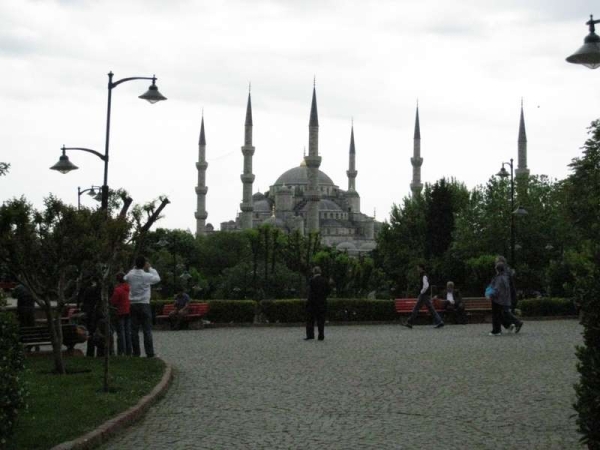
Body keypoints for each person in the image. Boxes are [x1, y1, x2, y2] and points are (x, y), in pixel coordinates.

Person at [125, 256, 160, 358]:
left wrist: (134, 268)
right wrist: (150, 268)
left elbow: (125, 278)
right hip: (144, 303)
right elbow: (157, 278)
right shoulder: (147, 276)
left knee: (134, 330)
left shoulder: (130, 275)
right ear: (144, 264)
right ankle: (149, 353)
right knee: (147, 330)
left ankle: (136, 353)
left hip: (133, 304)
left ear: (135, 264)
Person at [488, 262, 523, 336]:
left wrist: (490, 295)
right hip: (504, 299)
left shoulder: (499, 278)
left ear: (497, 269)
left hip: (497, 300)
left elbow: (497, 289)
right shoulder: (505, 277)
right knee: (501, 314)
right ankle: (509, 325)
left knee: (496, 316)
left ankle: (496, 331)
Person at [404, 264, 444, 329]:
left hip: (424, 295)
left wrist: (421, 292)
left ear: (421, 268)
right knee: (431, 309)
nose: (417, 269)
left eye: (418, 268)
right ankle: (439, 321)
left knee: (416, 308)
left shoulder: (424, 276)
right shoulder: (424, 275)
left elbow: (426, 285)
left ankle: (409, 322)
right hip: (425, 295)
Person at [305, 266, 332, 341]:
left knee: (310, 320)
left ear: (314, 272)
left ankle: (310, 335)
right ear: (320, 272)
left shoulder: (312, 280)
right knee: (321, 320)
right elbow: (329, 291)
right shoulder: (325, 280)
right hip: (322, 302)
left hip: (312, 303)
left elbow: (310, 292)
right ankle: (321, 335)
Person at [110, 272, 132, 356]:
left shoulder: (118, 290)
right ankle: (129, 350)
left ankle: (122, 350)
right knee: (127, 331)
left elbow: (113, 301)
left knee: (121, 332)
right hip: (128, 311)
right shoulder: (129, 288)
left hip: (120, 311)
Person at [496, 255, 518, 332]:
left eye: (497, 262)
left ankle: (516, 323)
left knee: (504, 312)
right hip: (508, 296)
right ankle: (510, 325)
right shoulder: (506, 271)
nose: (496, 263)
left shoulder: (505, 272)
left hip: (508, 296)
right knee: (502, 313)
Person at [81, 278, 102, 357]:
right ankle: (100, 352)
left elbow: (84, 301)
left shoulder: (88, 290)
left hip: (90, 313)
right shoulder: (100, 291)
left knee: (91, 333)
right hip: (98, 314)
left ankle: (90, 353)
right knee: (100, 333)